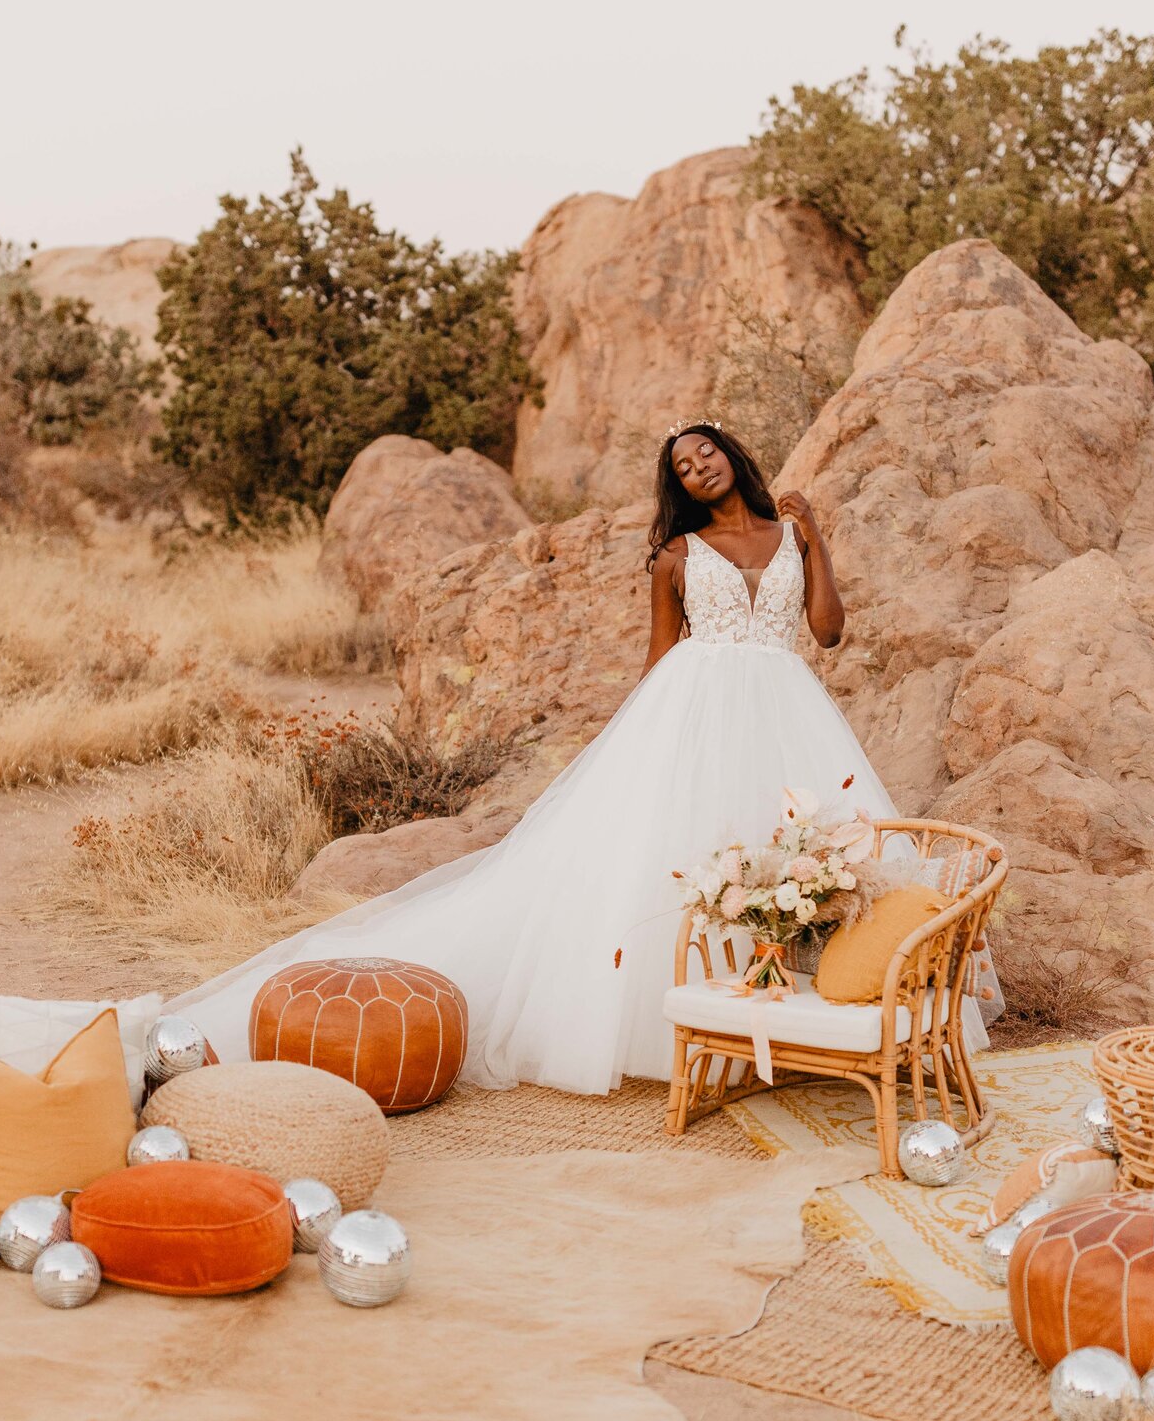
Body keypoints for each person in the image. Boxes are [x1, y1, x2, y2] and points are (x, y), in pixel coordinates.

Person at [165, 420, 979, 1093]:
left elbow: (829, 630)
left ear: (733, 456)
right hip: (693, 710)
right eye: (683, 469)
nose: (698, 470)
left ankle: (798, 1020)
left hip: (789, 706)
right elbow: (661, 660)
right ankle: (708, 1031)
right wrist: (643, 749)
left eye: (706, 455)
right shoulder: (674, 557)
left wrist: (818, 539)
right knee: (693, 860)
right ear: (679, 487)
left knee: (809, 851)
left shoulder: (791, 534)